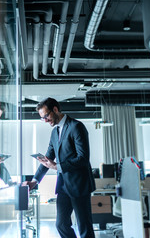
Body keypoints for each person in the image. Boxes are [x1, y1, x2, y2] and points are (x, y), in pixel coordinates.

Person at [22, 97, 96, 238]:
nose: (45, 120)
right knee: (61, 224)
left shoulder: (76, 126)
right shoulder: (54, 132)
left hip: (79, 186)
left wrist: (57, 166)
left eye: (46, 116)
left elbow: (83, 158)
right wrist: (34, 181)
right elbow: (47, 158)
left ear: (55, 109)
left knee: (84, 226)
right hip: (63, 187)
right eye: (42, 118)